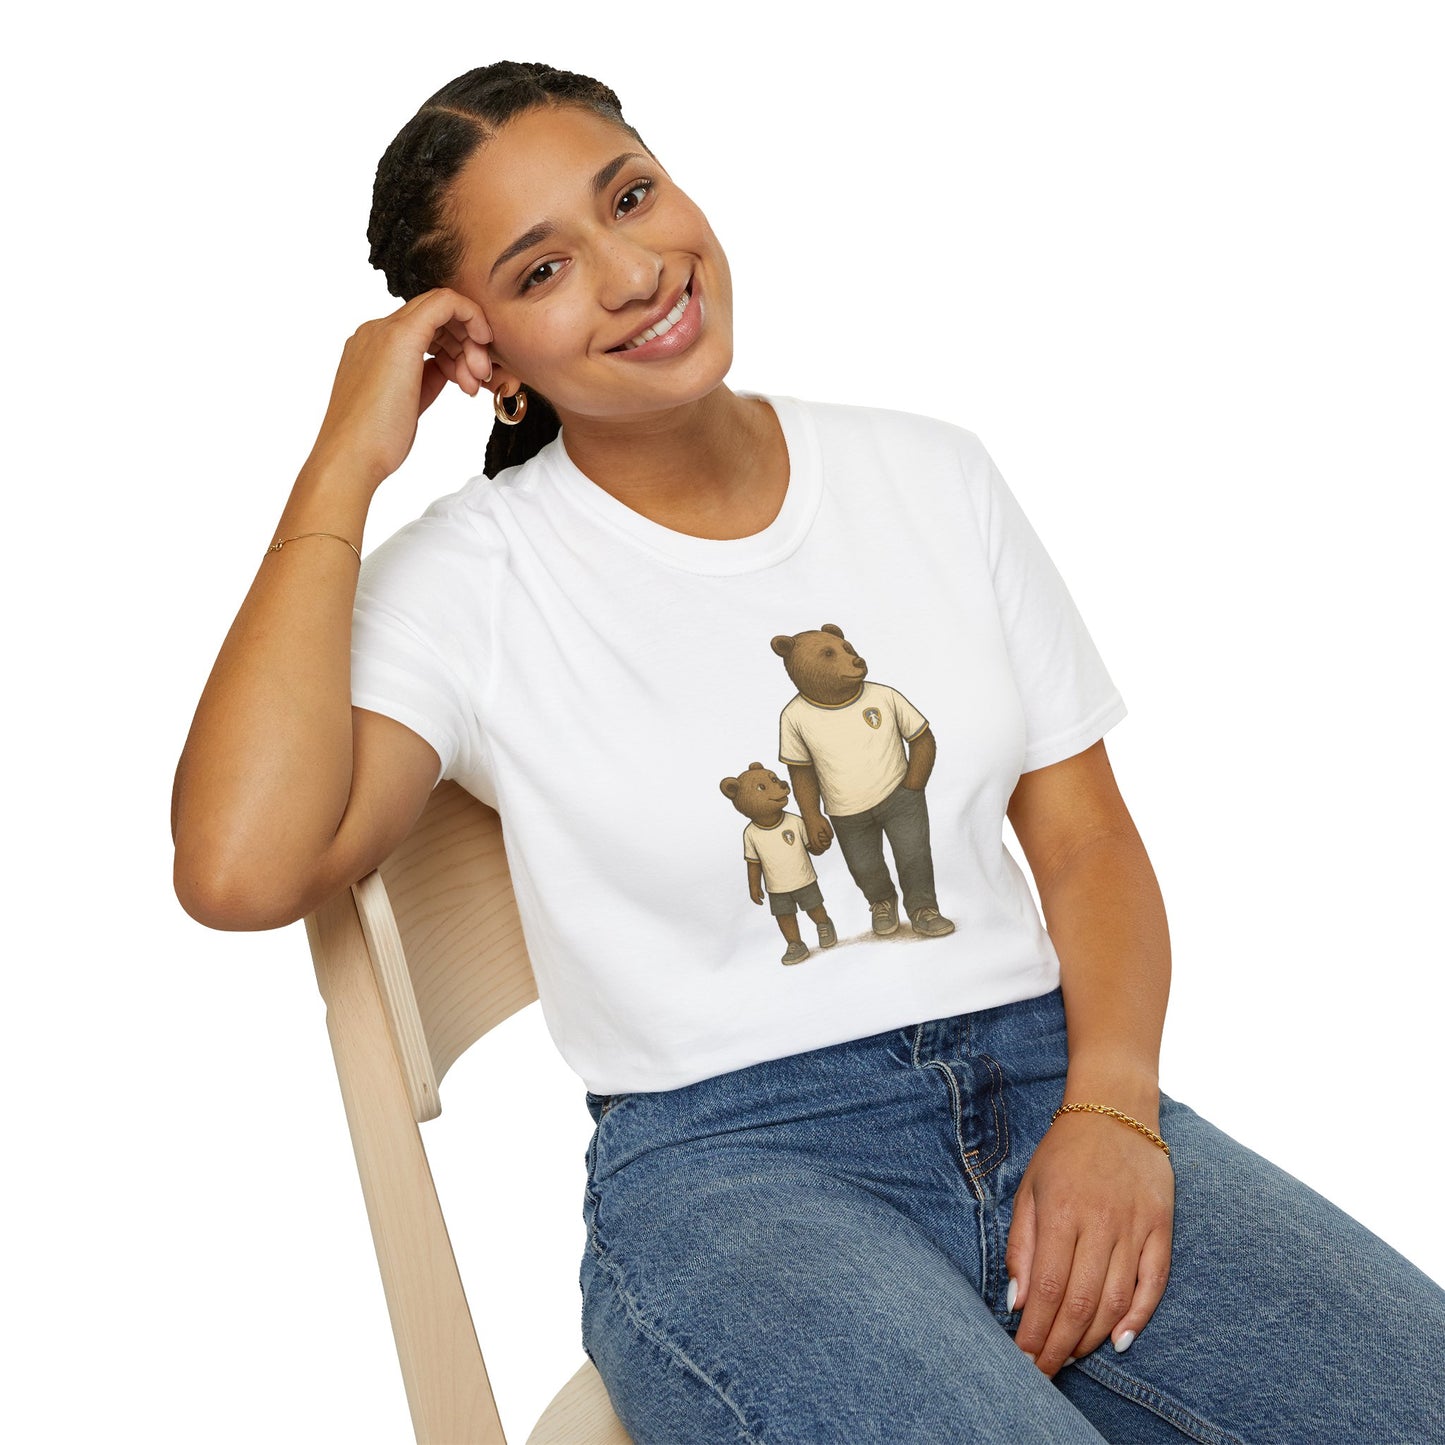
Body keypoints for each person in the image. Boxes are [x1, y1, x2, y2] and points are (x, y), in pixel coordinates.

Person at [172, 61, 1445, 1443]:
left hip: (1049, 1083)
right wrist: (342, 463)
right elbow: (240, 868)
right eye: (543, 269)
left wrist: (1114, 1109)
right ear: (484, 358)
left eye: (630, 197)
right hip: (734, 1173)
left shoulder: (932, 474)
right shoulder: (472, 580)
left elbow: (1085, 843)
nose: (633, 272)